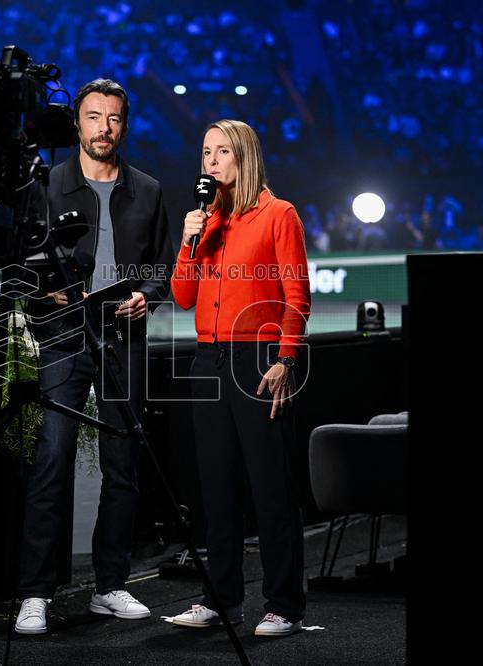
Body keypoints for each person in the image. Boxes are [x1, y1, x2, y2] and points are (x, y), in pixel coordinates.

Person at [14, 78, 175, 635]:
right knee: (51, 461)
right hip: (62, 337)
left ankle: (111, 585)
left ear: (123, 126)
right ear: (77, 124)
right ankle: (35, 592)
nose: (104, 128)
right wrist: (47, 292)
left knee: (123, 466)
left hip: (123, 339)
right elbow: (21, 267)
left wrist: (147, 295)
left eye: (113, 118)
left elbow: (161, 266)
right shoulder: (45, 185)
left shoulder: (149, 190)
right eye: (93, 117)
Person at [169, 119, 311, 636]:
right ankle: (221, 600)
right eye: (206, 152)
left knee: (271, 488)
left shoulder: (279, 214)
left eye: (222, 151)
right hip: (207, 360)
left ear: (244, 157)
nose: (211, 161)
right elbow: (182, 296)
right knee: (217, 488)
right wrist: (188, 241)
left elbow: (297, 296)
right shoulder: (203, 221)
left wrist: (286, 359)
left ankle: (284, 605)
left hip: (258, 360)